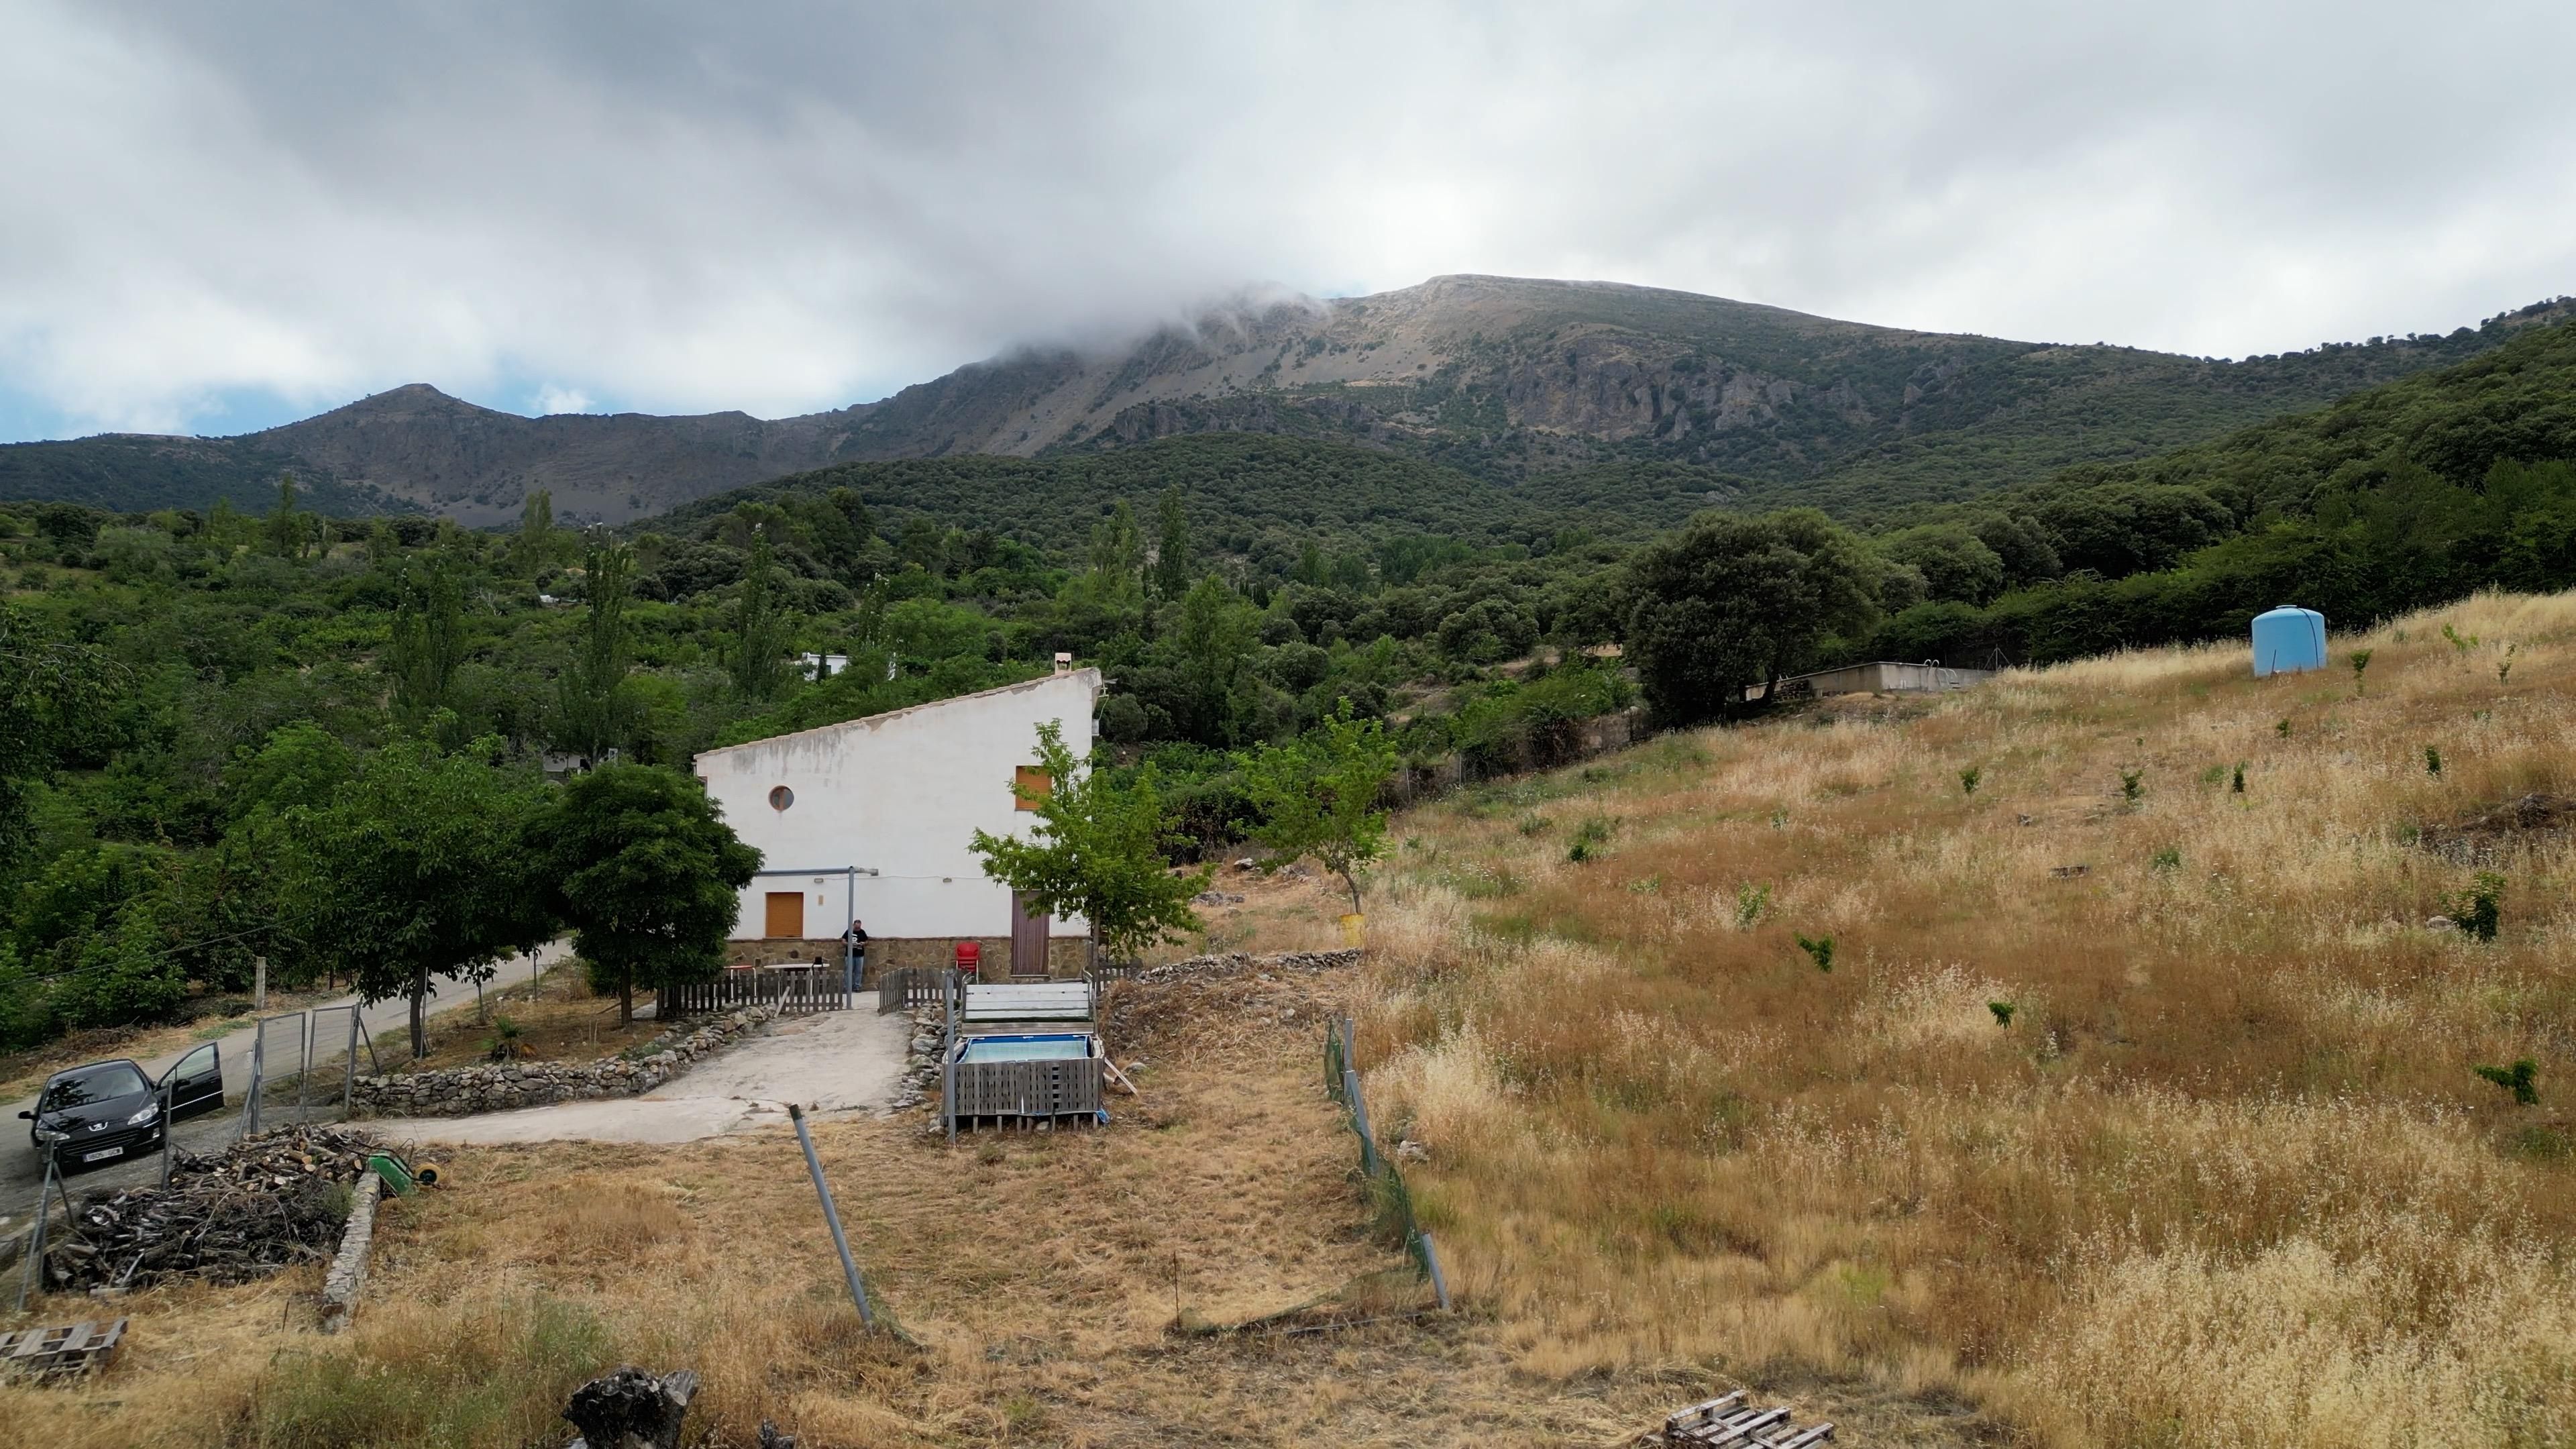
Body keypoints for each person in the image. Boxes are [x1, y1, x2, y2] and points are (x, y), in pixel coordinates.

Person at [844, 918, 868, 991]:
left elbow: (867, 941)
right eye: (856, 927)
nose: (858, 928)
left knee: (859, 971)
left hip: (860, 955)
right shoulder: (849, 932)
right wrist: (849, 944)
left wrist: (863, 943)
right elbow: (843, 941)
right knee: (848, 971)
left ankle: (857, 986)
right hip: (850, 955)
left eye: (859, 927)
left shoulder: (862, 932)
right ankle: (847, 987)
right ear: (854, 925)